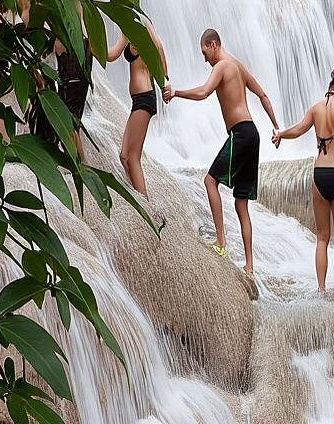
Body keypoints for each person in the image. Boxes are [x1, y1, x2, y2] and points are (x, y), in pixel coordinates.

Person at [174, 29, 279, 274]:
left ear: (213, 44)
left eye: (204, 52)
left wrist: (177, 92)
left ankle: (221, 242)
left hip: (240, 134)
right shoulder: (238, 66)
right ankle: (249, 265)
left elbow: (203, 92)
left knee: (210, 181)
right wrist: (276, 126)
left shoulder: (222, 66)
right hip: (253, 134)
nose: (204, 59)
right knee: (241, 204)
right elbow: (263, 94)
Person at [272, 68, 334, 297]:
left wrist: (280, 134)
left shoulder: (316, 108)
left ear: (329, 89)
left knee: (321, 237)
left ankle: (321, 290)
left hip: (319, 174)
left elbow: (299, 129)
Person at [107, 25, 171, 197]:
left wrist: (90, 42)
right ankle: (138, 197)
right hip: (142, 99)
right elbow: (162, 55)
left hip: (144, 98)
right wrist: (165, 82)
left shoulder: (130, 30)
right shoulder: (151, 34)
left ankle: (144, 201)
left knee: (133, 157)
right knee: (124, 156)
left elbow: (110, 55)